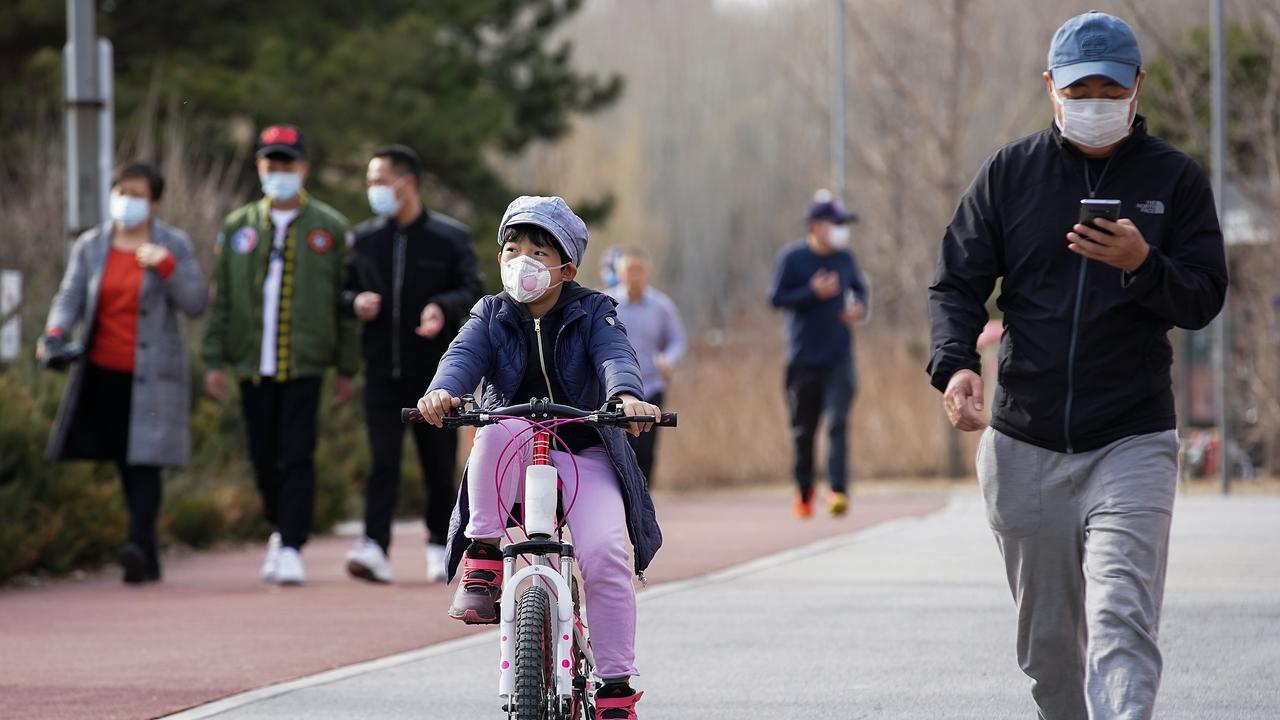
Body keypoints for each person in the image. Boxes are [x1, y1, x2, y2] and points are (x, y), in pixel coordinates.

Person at [927, 12, 1228, 718]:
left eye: (1109, 88)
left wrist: (1143, 264)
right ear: (1051, 89)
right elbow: (955, 282)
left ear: (1137, 88)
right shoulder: (1010, 174)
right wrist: (956, 366)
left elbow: (1205, 295)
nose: (1094, 101)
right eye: (1079, 88)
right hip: (1024, 440)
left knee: (1122, 614)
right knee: (1050, 649)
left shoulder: (1175, 181)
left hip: (1131, 437)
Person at [417, 196, 659, 718]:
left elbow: (617, 356)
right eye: (511, 248)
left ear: (567, 269)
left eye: (538, 251)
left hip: (584, 449)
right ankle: (483, 557)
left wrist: (625, 397)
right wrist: (442, 392)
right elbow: (461, 357)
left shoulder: (595, 310)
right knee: (495, 425)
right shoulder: (490, 313)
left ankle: (615, 687)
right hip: (513, 450)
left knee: (606, 554)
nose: (521, 260)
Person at [201, 124, 359, 586]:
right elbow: (223, 299)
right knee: (261, 454)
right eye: (271, 162)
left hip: (305, 364)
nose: (278, 171)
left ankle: (292, 544)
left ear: (303, 167)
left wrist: (347, 367)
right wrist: (214, 359)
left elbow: (344, 304)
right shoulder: (237, 227)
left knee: (297, 453)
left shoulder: (329, 227)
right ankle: (279, 527)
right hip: (252, 363)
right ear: (259, 167)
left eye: (287, 162)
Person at [41, 162, 208, 584]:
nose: (127, 200)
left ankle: (136, 543)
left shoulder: (173, 243)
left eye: (137, 194)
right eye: (121, 191)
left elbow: (196, 303)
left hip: (152, 374)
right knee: (121, 460)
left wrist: (167, 266)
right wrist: (56, 331)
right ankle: (146, 552)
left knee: (145, 463)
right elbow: (70, 296)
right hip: (101, 371)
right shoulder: (92, 244)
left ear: (153, 202)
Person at [341, 144, 483, 584]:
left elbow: (473, 290)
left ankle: (441, 545)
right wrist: (354, 303)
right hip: (381, 369)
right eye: (371, 182)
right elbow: (342, 292)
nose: (374, 190)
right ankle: (373, 547)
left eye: (381, 181)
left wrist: (441, 307)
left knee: (438, 464)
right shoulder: (364, 239)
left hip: (435, 374)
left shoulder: (449, 238)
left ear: (408, 184)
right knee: (382, 460)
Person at [768, 190, 867, 519]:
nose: (841, 229)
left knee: (838, 422)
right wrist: (813, 292)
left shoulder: (845, 258)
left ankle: (837, 490)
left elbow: (861, 292)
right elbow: (776, 298)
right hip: (802, 359)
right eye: (835, 223)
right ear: (815, 226)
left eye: (843, 223)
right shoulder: (792, 258)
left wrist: (858, 308)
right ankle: (805, 490)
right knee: (803, 430)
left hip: (839, 356)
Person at [609, 247, 686, 485]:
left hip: (651, 385)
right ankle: (621, 497)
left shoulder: (662, 306)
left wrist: (668, 359)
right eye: (629, 270)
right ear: (619, 273)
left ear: (647, 273)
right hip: (616, 391)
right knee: (620, 448)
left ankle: (644, 497)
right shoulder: (606, 303)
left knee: (646, 449)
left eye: (639, 270)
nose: (634, 275)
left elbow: (677, 340)